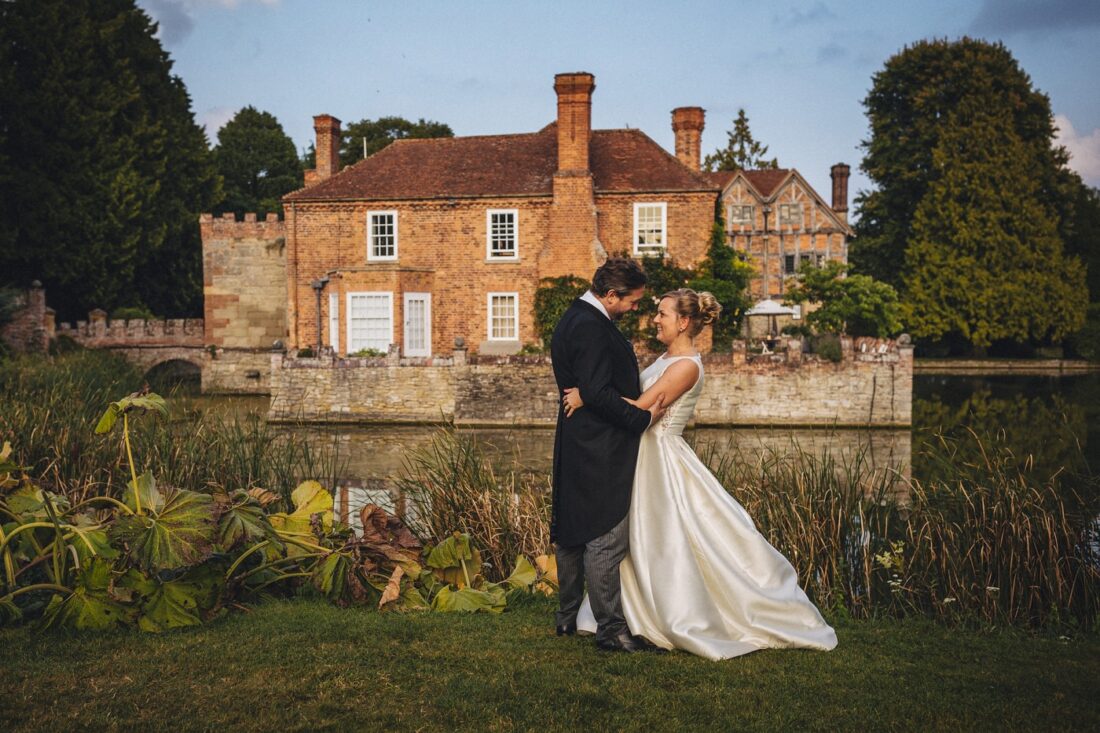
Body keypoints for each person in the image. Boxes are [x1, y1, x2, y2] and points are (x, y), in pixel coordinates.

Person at [564, 289, 838, 660]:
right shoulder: (667, 358)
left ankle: (681, 614)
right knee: (637, 541)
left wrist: (587, 395)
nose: (655, 319)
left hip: (660, 457)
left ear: (684, 322)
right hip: (639, 455)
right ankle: (630, 613)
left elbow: (642, 407)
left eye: (662, 313)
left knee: (669, 541)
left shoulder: (687, 366)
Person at [550, 257, 666, 653]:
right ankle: (611, 631)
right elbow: (597, 391)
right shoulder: (592, 326)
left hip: (576, 437)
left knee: (571, 529)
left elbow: (586, 389)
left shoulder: (572, 316)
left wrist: (587, 394)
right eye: (632, 302)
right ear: (612, 295)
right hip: (601, 444)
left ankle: (567, 618)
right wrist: (641, 417)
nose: (635, 310)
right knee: (604, 535)